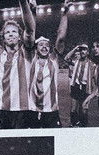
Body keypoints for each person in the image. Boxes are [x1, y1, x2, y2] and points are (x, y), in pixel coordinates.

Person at [0, 0, 36, 129]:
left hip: (21, 109)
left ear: (20, 36)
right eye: (7, 32)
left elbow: (30, 29)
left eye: (14, 31)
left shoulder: (26, 53)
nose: (11, 34)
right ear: (3, 37)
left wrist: (23, 2)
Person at [28, 0, 72, 128]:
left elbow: (61, 37)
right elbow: (30, 31)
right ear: (36, 48)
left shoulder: (53, 59)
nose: (44, 47)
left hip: (51, 109)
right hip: (32, 108)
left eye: (46, 45)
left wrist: (65, 13)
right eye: (41, 44)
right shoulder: (30, 59)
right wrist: (33, 12)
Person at [65, 42, 96, 126]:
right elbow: (66, 58)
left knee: (83, 108)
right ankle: (73, 123)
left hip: (85, 88)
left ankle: (83, 125)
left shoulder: (92, 65)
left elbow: (94, 79)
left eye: (84, 50)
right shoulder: (76, 61)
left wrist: (93, 91)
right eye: (81, 49)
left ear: (88, 52)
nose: (82, 51)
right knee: (73, 108)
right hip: (76, 86)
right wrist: (75, 48)